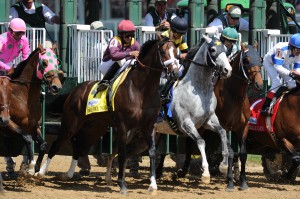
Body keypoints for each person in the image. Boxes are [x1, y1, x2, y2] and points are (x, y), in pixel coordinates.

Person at [0, 18, 31, 176]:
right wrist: (7, 68)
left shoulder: (24, 40)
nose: (20, 36)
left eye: (21, 33)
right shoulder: (2, 40)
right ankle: (7, 160)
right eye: (17, 33)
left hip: (10, 72)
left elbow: (26, 59)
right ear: (10, 31)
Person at [260, 33, 300, 116]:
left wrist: (297, 74)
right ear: (291, 47)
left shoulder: (298, 53)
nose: (298, 53)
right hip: (270, 63)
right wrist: (291, 73)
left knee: (293, 84)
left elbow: (297, 69)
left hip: (283, 63)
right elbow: (277, 67)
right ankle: (265, 106)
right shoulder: (281, 49)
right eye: (297, 50)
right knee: (276, 82)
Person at [96, 19, 140, 92]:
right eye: (127, 35)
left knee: (134, 62)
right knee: (121, 60)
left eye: (132, 35)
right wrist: (130, 53)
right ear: (121, 34)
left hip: (121, 67)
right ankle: (104, 81)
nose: (130, 37)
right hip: (106, 65)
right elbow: (114, 55)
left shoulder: (135, 43)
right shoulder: (115, 40)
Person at [159, 16, 189, 102]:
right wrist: (179, 56)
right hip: (163, 63)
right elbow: (167, 54)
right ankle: (163, 94)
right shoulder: (164, 36)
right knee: (175, 73)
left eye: (182, 34)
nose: (180, 36)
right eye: (179, 33)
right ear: (173, 31)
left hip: (173, 62)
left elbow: (185, 51)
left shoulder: (180, 37)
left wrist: (186, 55)